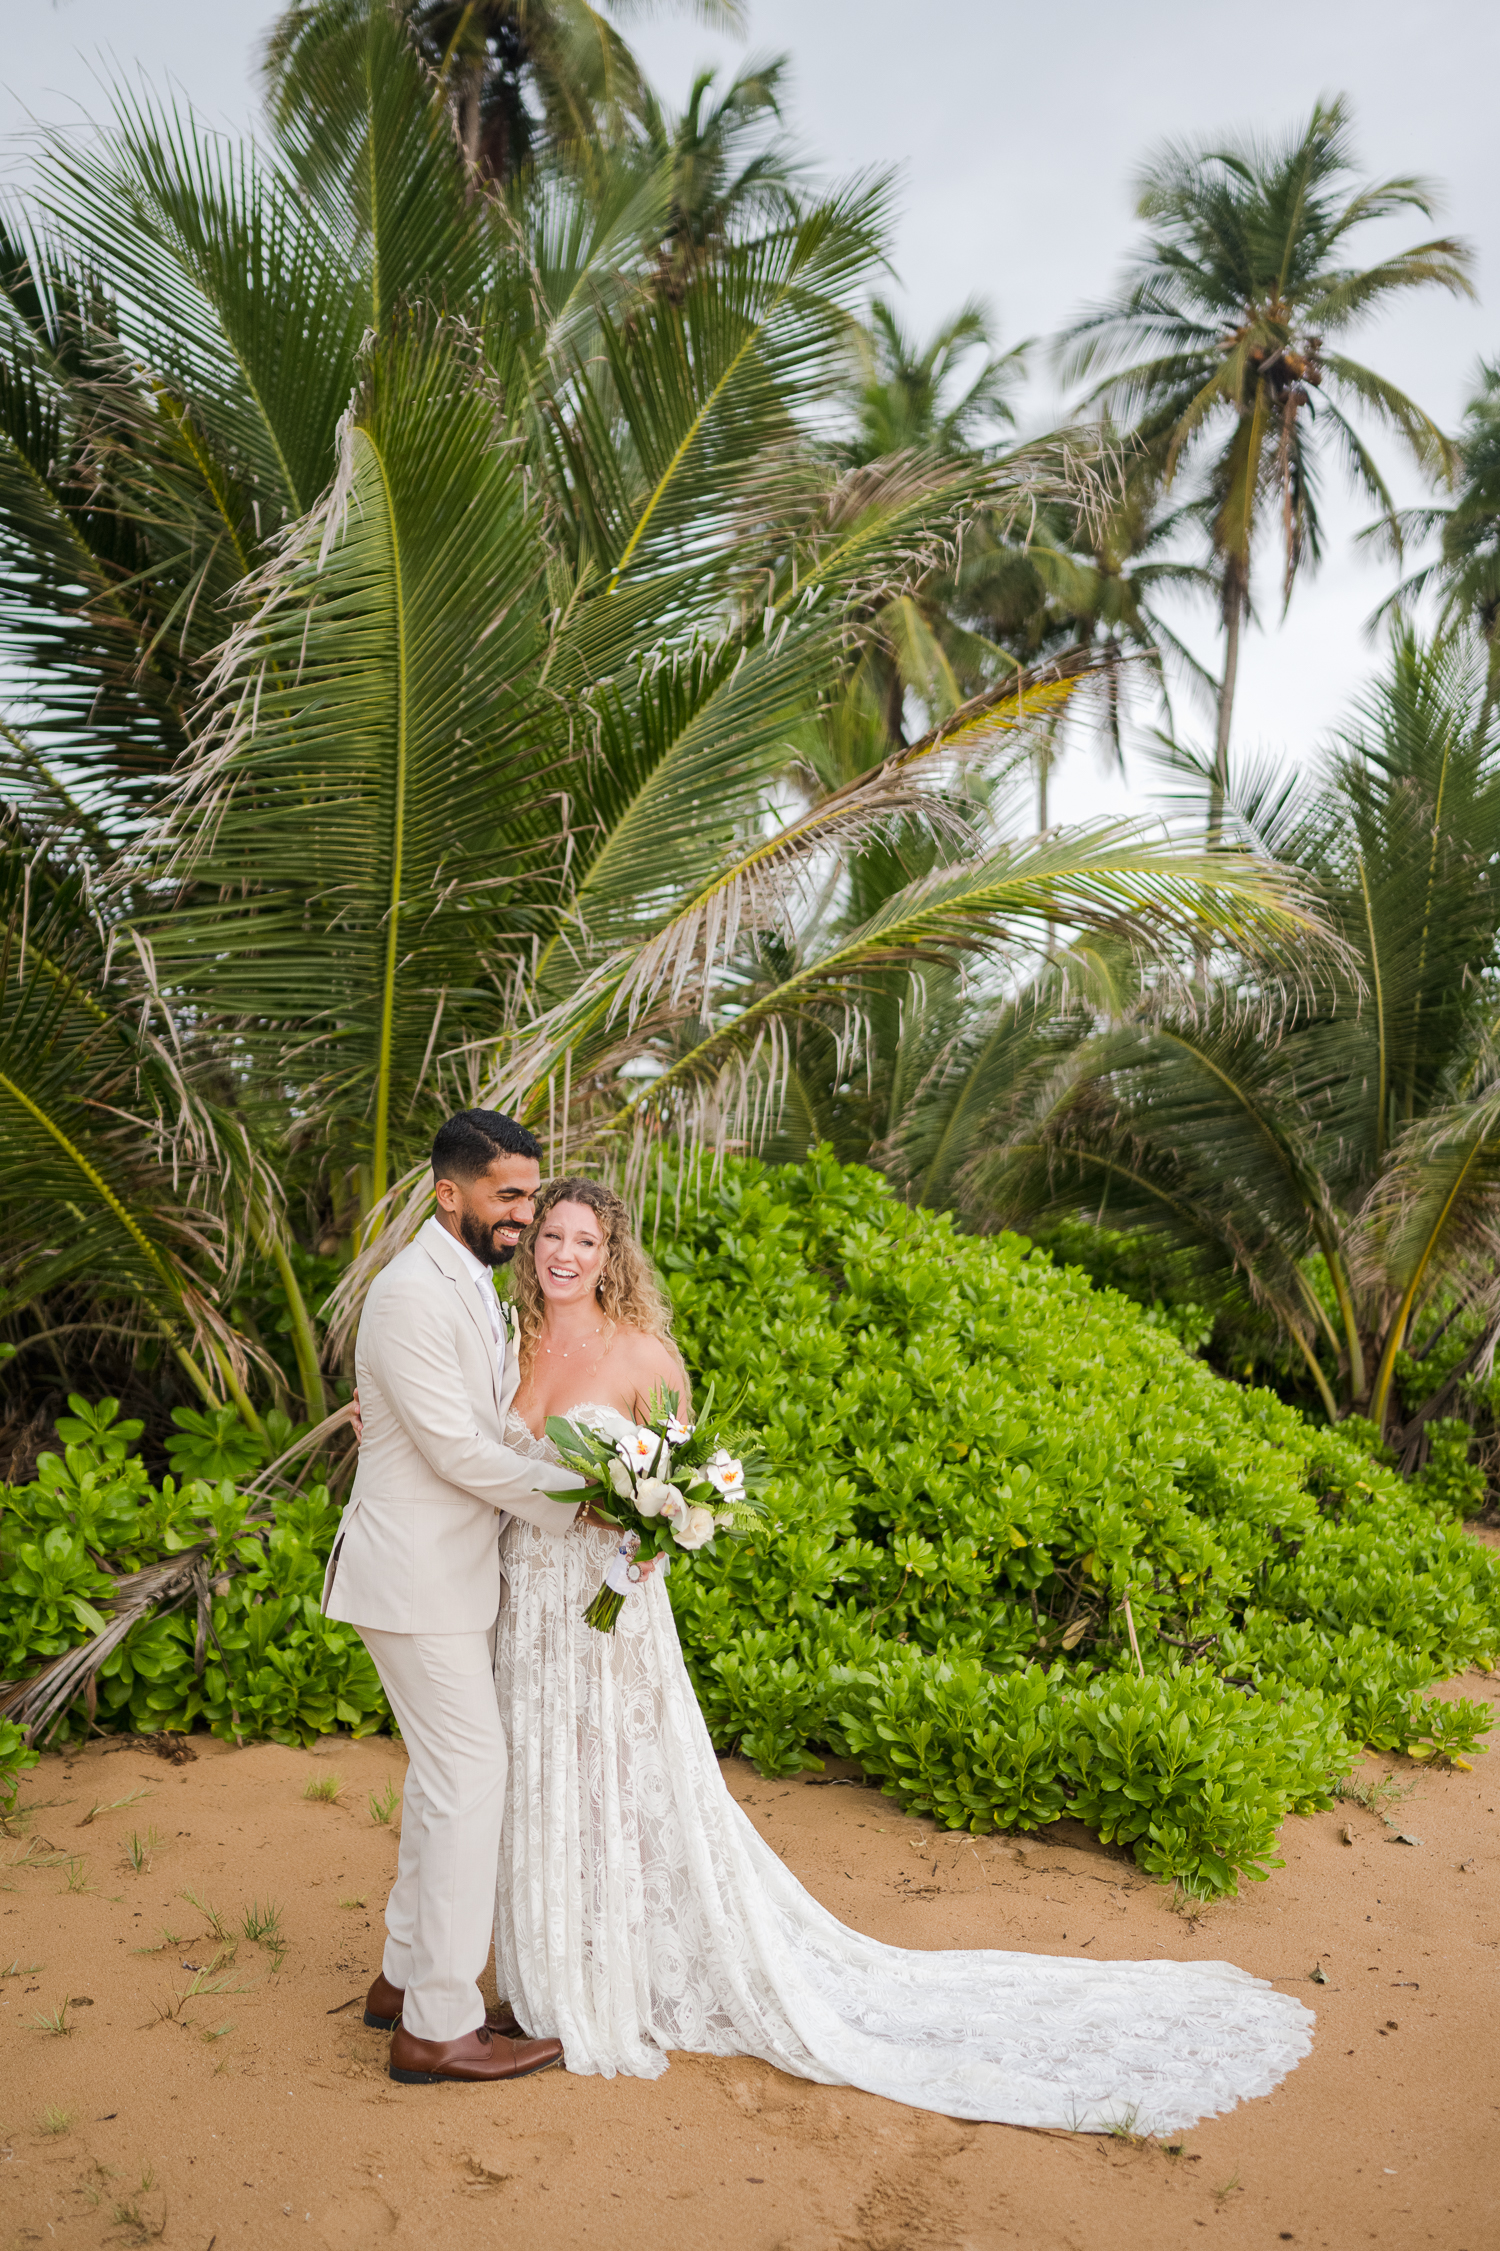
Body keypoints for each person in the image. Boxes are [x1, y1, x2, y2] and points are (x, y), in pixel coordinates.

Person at [490, 1175, 1316, 2132]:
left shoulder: (643, 1352)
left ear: (611, 1254)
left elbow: (688, 1492)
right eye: (551, 1234)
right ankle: (550, 1970)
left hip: (607, 1605)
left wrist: (641, 1530)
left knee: (623, 1785)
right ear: (530, 1241)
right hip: (527, 1606)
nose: (564, 1254)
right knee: (544, 1778)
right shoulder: (509, 1342)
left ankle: (614, 1980)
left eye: (584, 1241)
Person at [323, 1109, 609, 2086]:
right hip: (413, 1577)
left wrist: (604, 1470)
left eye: (532, 1193)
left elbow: (488, 1427)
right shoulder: (412, 1294)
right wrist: (590, 1503)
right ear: (450, 1191)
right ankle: (438, 2027)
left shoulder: (468, 1285)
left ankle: (405, 1982)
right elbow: (454, 1451)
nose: (526, 1214)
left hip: (440, 1573)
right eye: (510, 1194)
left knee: (444, 1776)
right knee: (470, 1773)